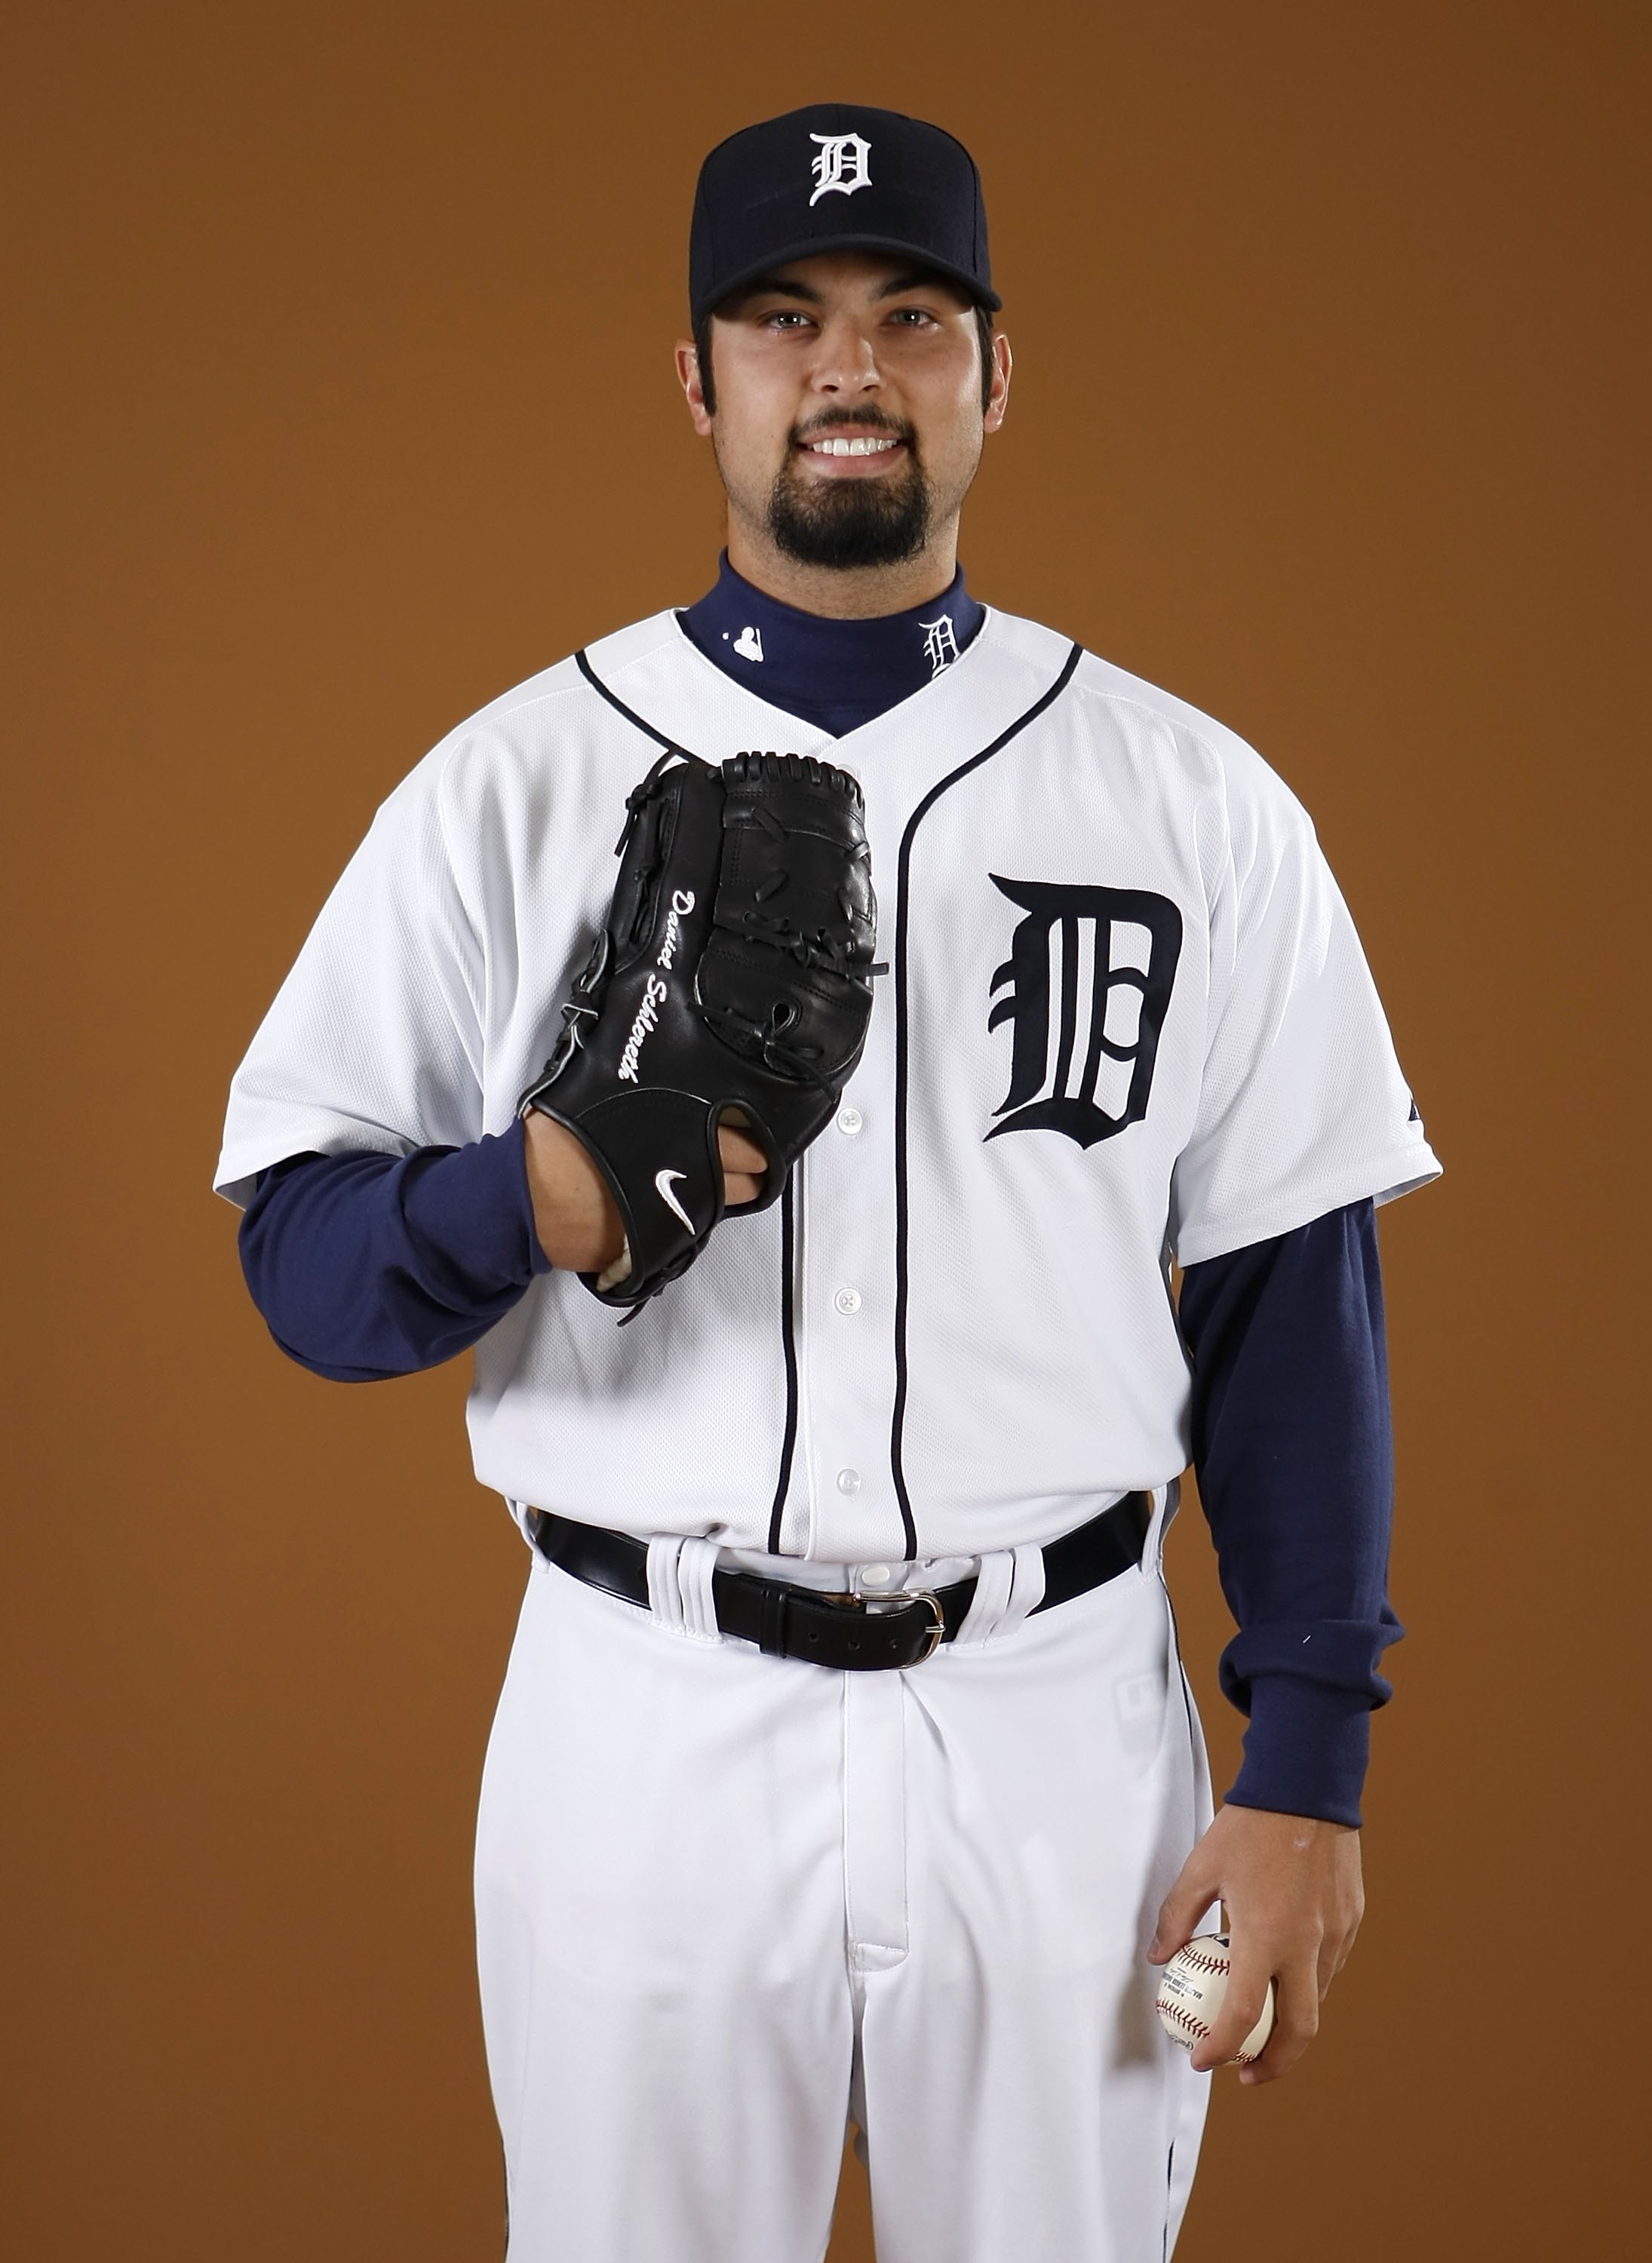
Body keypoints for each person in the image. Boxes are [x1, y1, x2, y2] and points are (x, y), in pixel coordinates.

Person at [216, 103, 1439, 2263]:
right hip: (641, 1720)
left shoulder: (1191, 800)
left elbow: (1286, 1300)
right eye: (782, 321)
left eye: (909, 318)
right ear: (697, 380)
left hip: (1060, 1727)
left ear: (994, 371)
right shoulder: (508, 783)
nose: (847, 368)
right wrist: (525, 1198)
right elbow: (304, 1269)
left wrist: (1306, 1764)